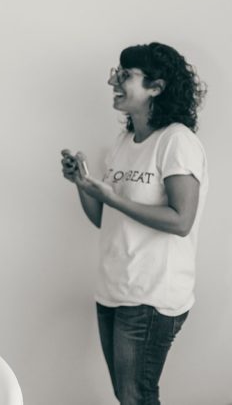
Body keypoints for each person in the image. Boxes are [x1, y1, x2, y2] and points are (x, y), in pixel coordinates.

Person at [60, 42, 207, 405]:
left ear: (156, 87)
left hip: (151, 297)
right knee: (128, 396)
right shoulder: (125, 141)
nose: (115, 82)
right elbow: (104, 219)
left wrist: (112, 196)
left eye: (126, 76)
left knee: (136, 397)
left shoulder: (177, 141)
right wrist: (84, 187)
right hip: (114, 290)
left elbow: (181, 220)